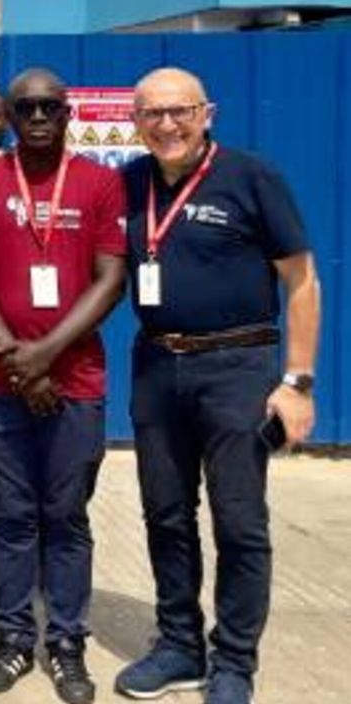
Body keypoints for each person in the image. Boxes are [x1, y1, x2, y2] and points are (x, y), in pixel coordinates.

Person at [114, 68, 319, 704]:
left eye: (180, 111)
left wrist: (298, 382)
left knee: (239, 521)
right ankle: (180, 644)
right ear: (136, 121)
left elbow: (302, 280)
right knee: (165, 514)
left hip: (237, 368)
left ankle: (234, 662)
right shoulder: (130, 182)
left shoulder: (251, 177)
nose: (167, 124)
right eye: (153, 113)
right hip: (157, 367)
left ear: (207, 114)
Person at [0, 68, 127, 704]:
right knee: (11, 515)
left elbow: (111, 280)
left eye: (51, 106)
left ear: (68, 113)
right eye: (27, 107)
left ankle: (68, 643)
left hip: (74, 382)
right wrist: (18, 365)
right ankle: (16, 637)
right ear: (11, 117)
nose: (40, 116)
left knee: (66, 517)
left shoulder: (100, 182)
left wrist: (44, 357)